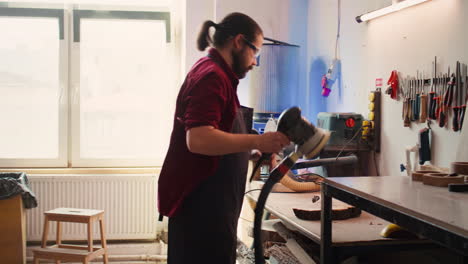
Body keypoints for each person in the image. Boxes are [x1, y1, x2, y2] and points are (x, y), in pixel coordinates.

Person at [158, 12, 290, 264]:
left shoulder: (218, 75)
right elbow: (198, 139)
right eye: (256, 53)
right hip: (201, 209)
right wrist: (257, 142)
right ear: (238, 42)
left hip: (211, 207)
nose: (254, 63)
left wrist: (249, 152)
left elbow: (219, 134)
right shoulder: (212, 77)